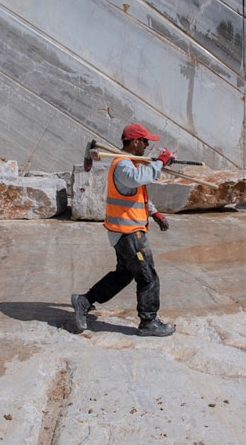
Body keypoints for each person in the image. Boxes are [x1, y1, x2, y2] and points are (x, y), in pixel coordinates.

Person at [71, 123, 177, 337]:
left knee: (124, 274)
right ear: (135, 141)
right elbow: (138, 179)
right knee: (147, 277)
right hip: (129, 233)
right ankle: (149, 322)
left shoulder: (132, 164)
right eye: (145, 141)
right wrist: (159, 163)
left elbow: (136, 193)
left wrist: (154, 213)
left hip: (125, 231)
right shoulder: (123, 164)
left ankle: (84, 300)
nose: (147, 145)